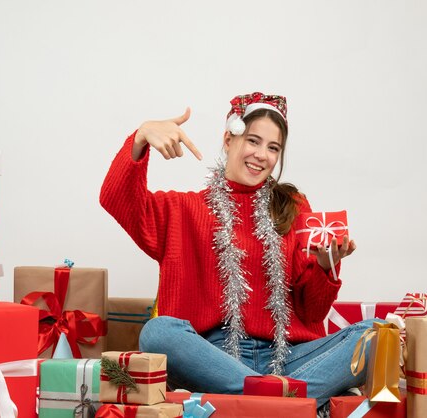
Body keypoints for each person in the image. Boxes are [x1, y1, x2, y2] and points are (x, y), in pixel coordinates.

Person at [100, 92, 375, 411]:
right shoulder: (182, 210)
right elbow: (115, 198)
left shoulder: (293, 208)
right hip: (212, 361)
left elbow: (312, 313)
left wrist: (326, 267)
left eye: (273, 148)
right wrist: (141, 136)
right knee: (158, 333)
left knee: (373, 336)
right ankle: (284, 405)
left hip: (289, 359)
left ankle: (263, 404)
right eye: (253, 141)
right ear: (228, 138)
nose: (262, 155)